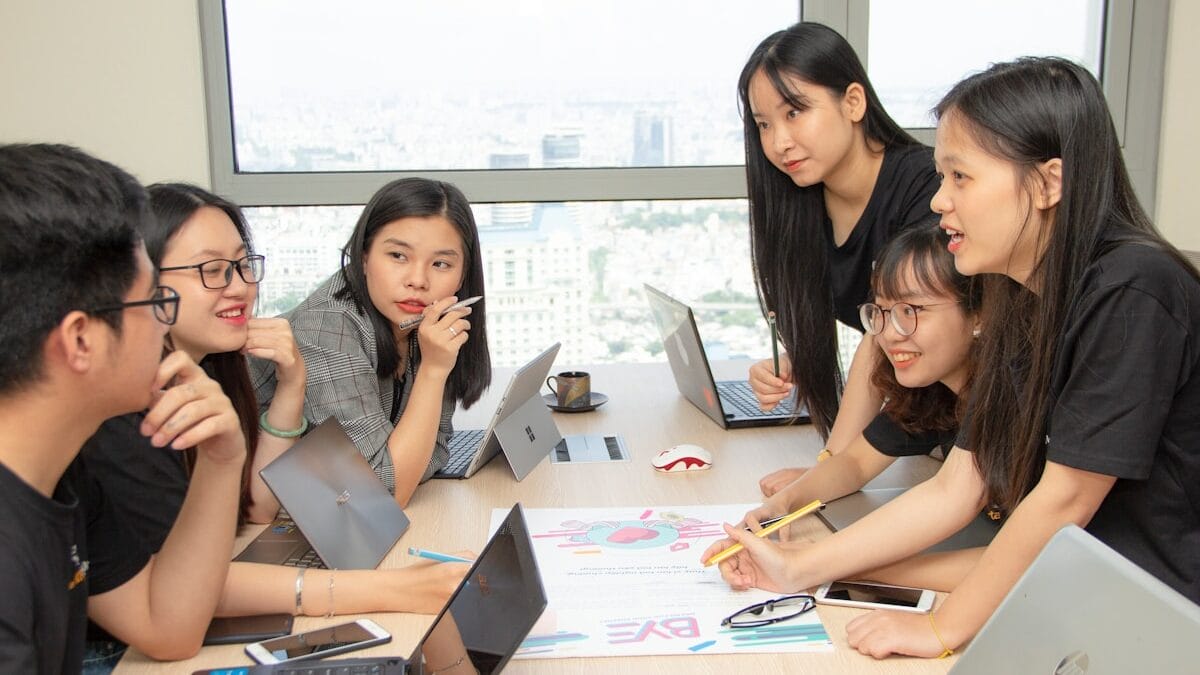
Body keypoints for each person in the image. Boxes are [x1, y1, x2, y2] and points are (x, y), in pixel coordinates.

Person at [703, 57, 1200, 659]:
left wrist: (941, 629)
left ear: (1047, 183)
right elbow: (955, 488)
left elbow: (1067, 498)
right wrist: (794, 567)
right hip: (1075, 594)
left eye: (960, 178)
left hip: (1158, 616)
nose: (939, 201)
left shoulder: (1133, 288)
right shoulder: (1022, 299)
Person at [79, 183, 472, 664]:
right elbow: (178, 594)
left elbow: (257, 508)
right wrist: (383, 589)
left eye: (244, 266)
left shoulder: (207, 367)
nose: (241, 286)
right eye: (212, 271)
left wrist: (291, 387)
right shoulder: (119, 413)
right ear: (140, 282)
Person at [0, 144, 246, 672]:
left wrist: (222, 463)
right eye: (153, 302)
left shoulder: (62, 475)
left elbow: (168, 627)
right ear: (81, 340)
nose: (164, 323)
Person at [738, 22, 941, 497]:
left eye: (795, 112)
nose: (779, 141)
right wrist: (794, 357)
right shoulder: (800, 202)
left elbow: (884, 333)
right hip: (915, 433)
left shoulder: (926, 190)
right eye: (764, 124)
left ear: (853, 102)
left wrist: (831, 468)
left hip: (961, 425)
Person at [251, 177, 491, 506]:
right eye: (398, 256)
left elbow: (434, 452)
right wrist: (433, 371)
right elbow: (381, 493)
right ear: (364, 256)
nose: (418, 281)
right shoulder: (326, 328)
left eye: (440, 264)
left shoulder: (421, 322)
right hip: (242, 515)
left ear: (463, 275)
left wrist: (399, 460)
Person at [742, 223, 980, 531]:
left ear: (979, 314)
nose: (890, 333)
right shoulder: (932, 392)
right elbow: (855, 463)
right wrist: (784, 504)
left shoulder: (1003, 399)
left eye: (912, 310)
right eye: (882, 310)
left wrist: (813, 562)